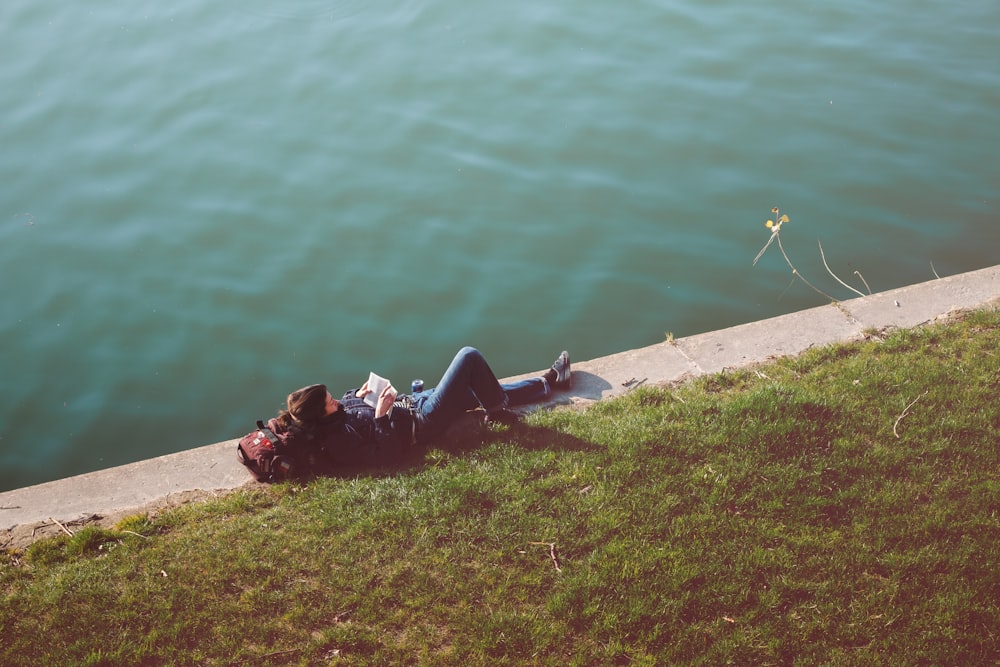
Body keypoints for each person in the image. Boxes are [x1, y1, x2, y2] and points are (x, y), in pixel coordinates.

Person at [268, 347, 572, 470]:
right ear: (320, 415)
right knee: (468, 357)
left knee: (476, 388)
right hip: (421, 422)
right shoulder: (338, 441)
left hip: (412, 404)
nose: (337, 401)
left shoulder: (333, 417)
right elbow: (385, 456)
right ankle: (498, 411)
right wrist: (382, 416)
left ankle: (548, 382)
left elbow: (349, 405)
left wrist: (357, 394)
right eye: (331, 402)